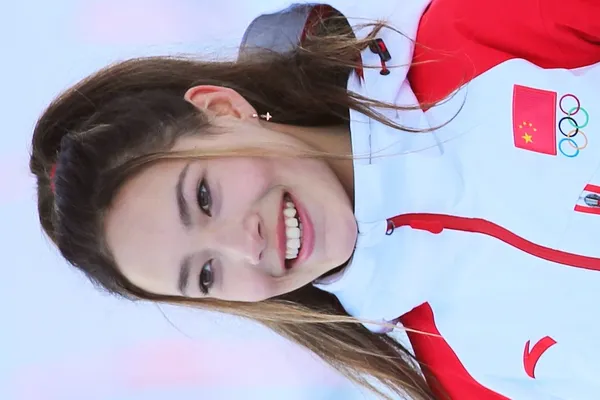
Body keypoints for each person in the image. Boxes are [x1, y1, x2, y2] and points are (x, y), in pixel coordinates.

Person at [29, 0, 600, 398]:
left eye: (204, 198)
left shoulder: (469, 41)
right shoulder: (466, 370)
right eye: (205, 274)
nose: (244, 247)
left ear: (224, 109)